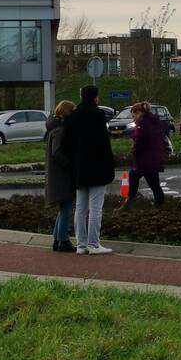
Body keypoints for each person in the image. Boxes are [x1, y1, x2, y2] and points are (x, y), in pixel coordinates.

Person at [61, 85, 116, 255]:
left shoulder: (72, 116)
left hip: (79, 168)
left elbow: (66, 145)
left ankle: (81, 245)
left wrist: (75, 161)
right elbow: (104, 144)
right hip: (97, 167)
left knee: (80, 206)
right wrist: (110, 164)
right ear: (95, 97)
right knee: (96, 207)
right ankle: (94, 244)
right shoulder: (98, 115)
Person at [120, 101, 166, 209]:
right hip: (152, 158)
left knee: (148, 182)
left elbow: (141, 140)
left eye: (134, 115)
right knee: (152, 183)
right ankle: (159, 205)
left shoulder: (143, 123)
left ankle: (129, 203)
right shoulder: (152, 120)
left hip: (145, 160)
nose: (133, 118)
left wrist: (133, 151)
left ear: (139, 112)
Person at [45, 100, 76, 252]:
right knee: (67, 206)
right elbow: (57, 152)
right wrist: (70, 164)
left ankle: (57, 239)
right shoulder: (60, 130)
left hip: (56, 174)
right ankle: (63, 240)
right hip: (61, 175)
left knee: (64, 207)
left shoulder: (53, 127)